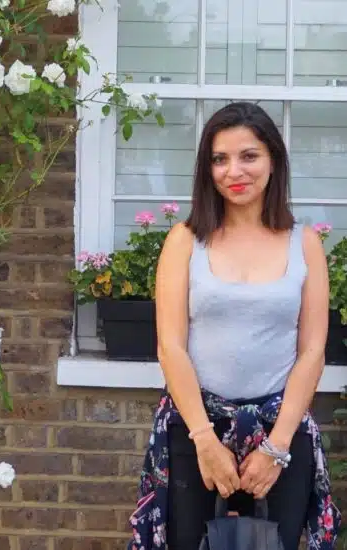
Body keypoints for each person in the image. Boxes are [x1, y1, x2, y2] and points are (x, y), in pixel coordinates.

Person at [128, 102, 341, 550]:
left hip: (280, 433)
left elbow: (312, 351)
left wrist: (276, 447)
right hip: (194, 432)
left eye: (249, 156)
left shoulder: (304, 243)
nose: (233, 171)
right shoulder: (185, 240)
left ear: (273, 160)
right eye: (220, 159)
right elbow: (171, 347)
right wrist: (205, 440)